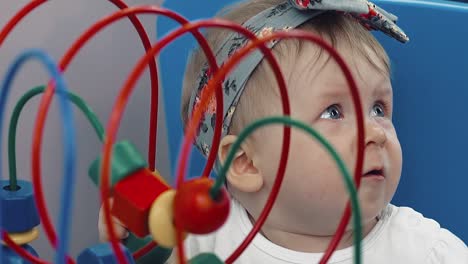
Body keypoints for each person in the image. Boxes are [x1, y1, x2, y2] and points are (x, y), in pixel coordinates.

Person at [100, 0, 468, 263]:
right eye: (333, 111)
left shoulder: (428, 252)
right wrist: (136, 241)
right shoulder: (203, 240)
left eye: (379, 109)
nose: (376, 132)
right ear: (245, 162)